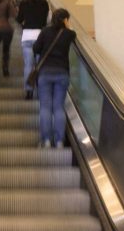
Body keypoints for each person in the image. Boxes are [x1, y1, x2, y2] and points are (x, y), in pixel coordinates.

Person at [33, 8, 77, 148]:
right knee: (58, 107)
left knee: (45, 107)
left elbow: (36, 49)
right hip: (62, 73)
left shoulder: (45, 31)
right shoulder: (69, 34)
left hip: (45, 73)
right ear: (65, 20)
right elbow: (72, 33)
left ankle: (46, 140)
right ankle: (59, 141)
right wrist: (68, 27)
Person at [16, 0, 49, 99]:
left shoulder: (23, 3)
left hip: (27, 37)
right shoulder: (44, 4)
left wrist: (25, 23)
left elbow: (18, 19)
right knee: (40, 66)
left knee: (28, 66)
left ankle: (29, 91)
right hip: (40, 37)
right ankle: (41, 91)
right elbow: (44, 22)